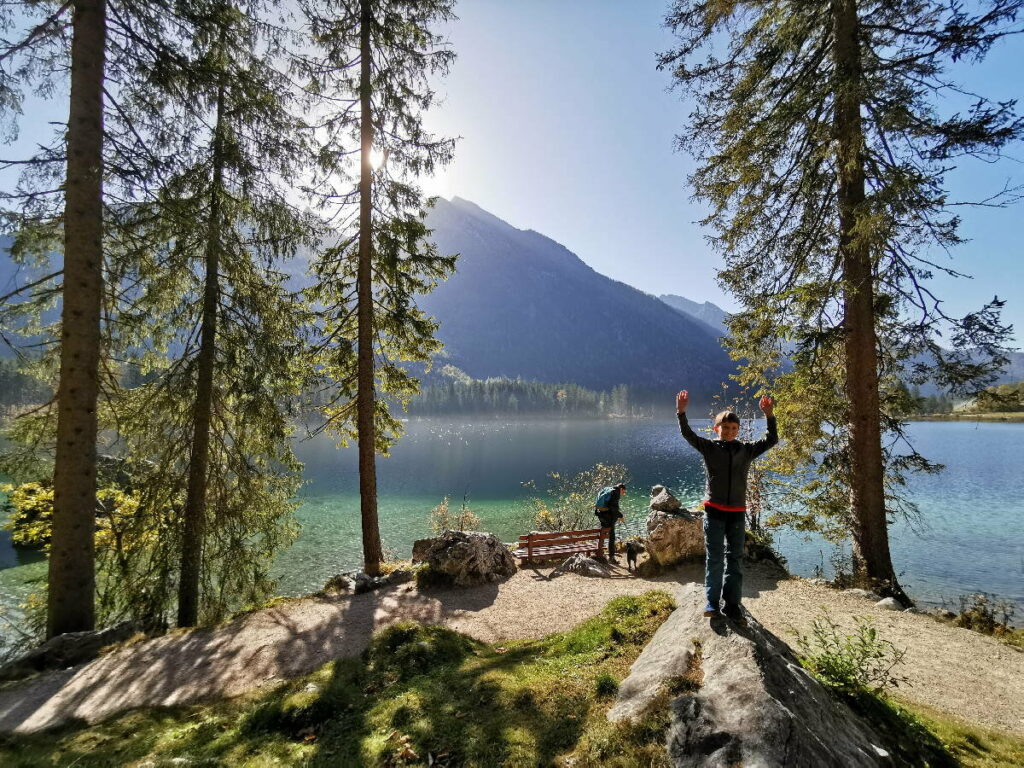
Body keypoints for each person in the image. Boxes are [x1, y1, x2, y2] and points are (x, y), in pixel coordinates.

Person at [676, 390, 778, 623]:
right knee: (714, 559)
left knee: (735, 560)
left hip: (737, 514)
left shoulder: (747, 450)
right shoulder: (709, 448)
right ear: (716, 429)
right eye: (725, 427)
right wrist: (681, 412)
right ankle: (712, 602)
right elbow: (688, 435)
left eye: (734, 428)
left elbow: (771, 439)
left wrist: (769, 416)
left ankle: (733, 605)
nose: (729, 431)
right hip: (714, 512)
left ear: (738, 430)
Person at [594, 483, 627, 564]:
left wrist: (617, 515)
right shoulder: (615, 493)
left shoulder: (608, 489)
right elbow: (613, 508)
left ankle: (600, 553)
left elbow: (609, 506)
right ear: (621, 489)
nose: (623, 494)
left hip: (601, 514)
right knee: (612, 537)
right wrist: (621, 516)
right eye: (624, 492)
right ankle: (611, 558)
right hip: (608, 517)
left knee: (603, 532)